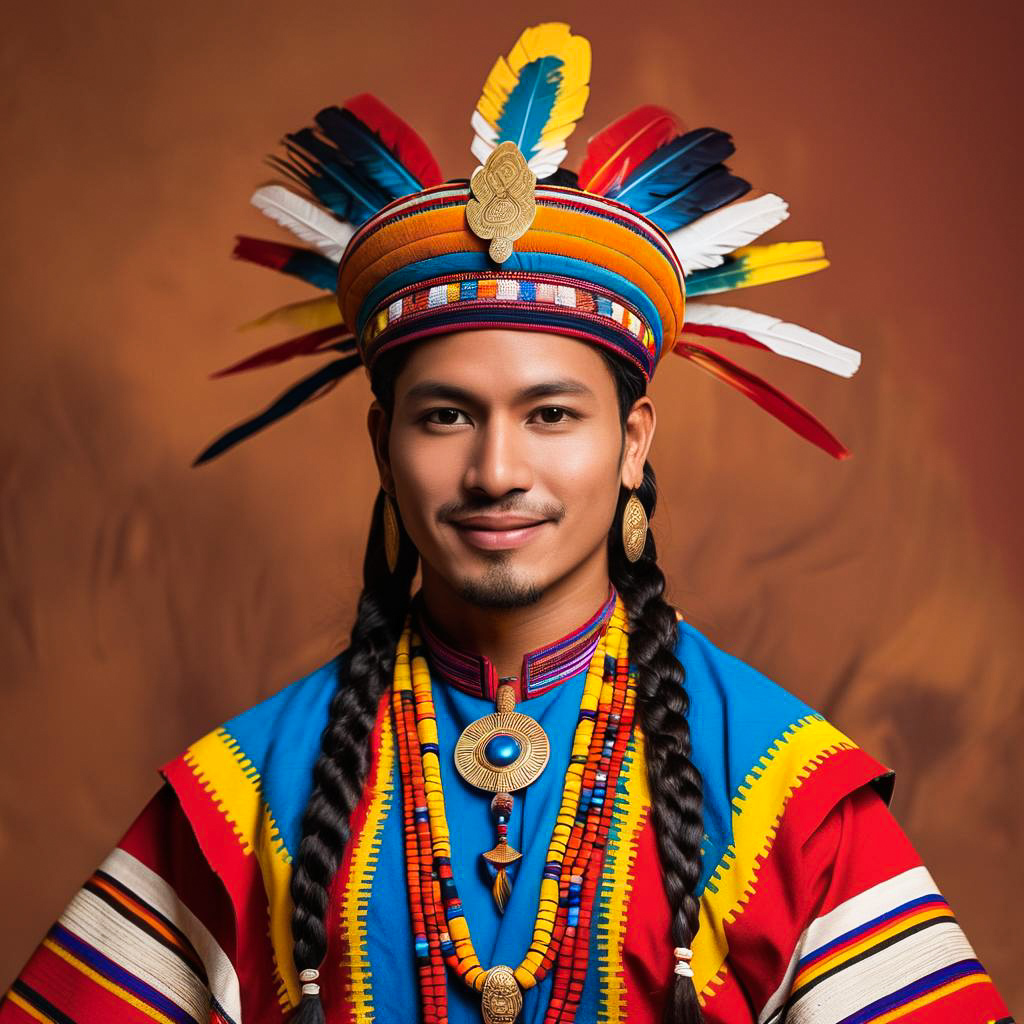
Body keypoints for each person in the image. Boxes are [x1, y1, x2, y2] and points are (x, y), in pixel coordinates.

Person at [0, 21, 1013, 1024]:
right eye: (446, 415)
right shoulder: (244, 794)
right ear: (380, 442)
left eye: (551, 414)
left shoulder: (783, 797)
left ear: (631, 443)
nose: (494, 470)